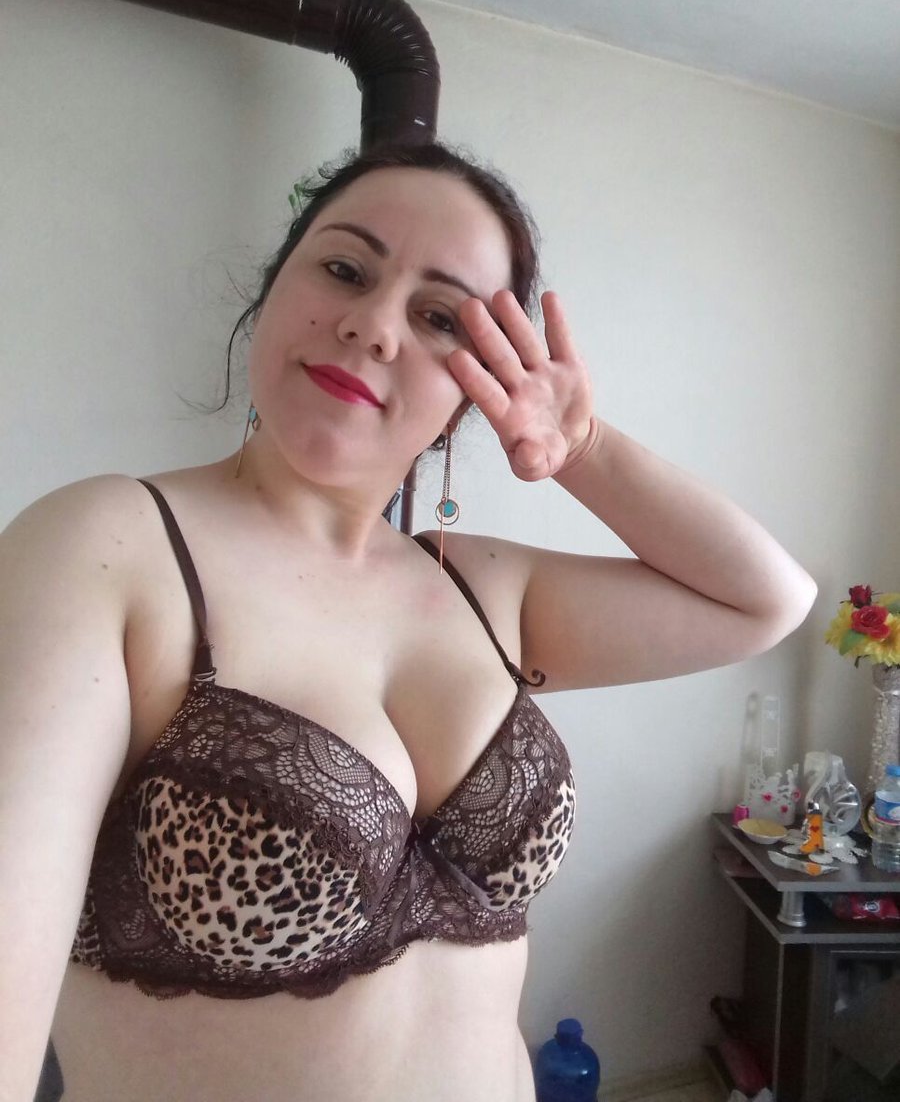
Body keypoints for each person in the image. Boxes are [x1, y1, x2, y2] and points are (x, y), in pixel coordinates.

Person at [0, 142, 816, 1102]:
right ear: (271, 291)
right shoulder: (107, 547)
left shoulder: (482, 587)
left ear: (485, 381)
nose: (374, 326)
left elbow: (764, 600)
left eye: (438, 317)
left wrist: (583, 446)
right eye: (346, 270)